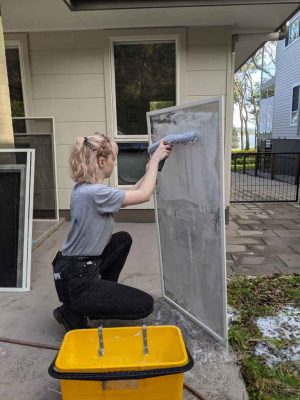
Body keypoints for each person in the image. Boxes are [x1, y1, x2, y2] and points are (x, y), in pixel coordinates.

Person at [52, 133, 172, 331]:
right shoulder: (94, 193)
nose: (114, 164)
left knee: (122, 240)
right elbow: (143, 196)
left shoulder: (85, 189)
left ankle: (93, 302)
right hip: (77, 280)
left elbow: (132, 193)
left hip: (70, 270)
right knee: (145, 305)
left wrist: (149, 170)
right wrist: (156, 159)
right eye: (113, 159)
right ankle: (74, 311)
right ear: (101, 161)